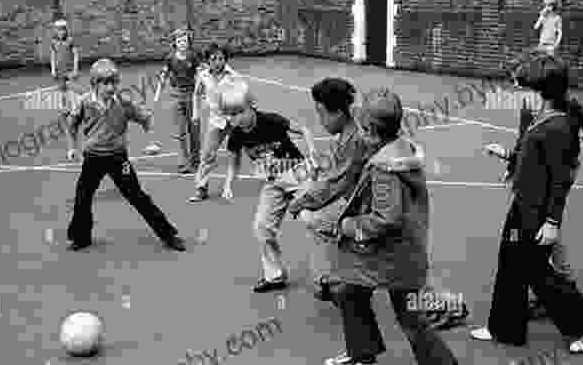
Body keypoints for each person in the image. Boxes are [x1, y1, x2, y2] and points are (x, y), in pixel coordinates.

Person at [316, 88, 465, 365]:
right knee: (349, 290)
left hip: (394, 254)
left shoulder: (385, 167)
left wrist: (344, 226)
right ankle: (363, 351)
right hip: (398, 249)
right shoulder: (398, 149)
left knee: (409, 314)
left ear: (371, 130)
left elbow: (385, 218)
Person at [293, 78, 469, 331]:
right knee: (394, 272)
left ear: (340, 112)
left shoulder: (359, 138)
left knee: (393, 272)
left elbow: (337, 183)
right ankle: (336, 281)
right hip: (377, 214)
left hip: (377, 216)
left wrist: (303, 203)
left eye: (320, 112)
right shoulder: (357, 133)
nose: (319, 120)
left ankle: (334, 282)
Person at [471, 53, 583, 353]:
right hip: (523, 205)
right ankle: (504, 328)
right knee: (509, 262)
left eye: (523, 87)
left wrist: (552, 222)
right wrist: (508, 155)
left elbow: (561, 180)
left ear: (542, 91)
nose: (518, 93)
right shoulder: (541, 116)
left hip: (538, 213)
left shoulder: (558, 127)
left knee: (536, 271)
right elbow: (533, 159)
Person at [64, 58, 186, 252]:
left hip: (118, 158)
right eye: (105, 83)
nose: (111, 87)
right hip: (93, 158)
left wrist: (152, 137)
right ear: (95, 84)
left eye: (114, 82)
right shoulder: (84, 102)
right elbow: (71, 124)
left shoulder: (123, 102)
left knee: (138, 197)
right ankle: (81, 237)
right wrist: (72, 147)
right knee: (82, 197)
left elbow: (145, 119)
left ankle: (168, 235)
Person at [223, 103, 317, 292]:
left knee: (312, 220)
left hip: (297, 173)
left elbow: (304, 130)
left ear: (251, 108)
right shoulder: (236, 134)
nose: (236, 118)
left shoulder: (271, 120)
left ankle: (329, 276)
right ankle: (275, 277)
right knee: (261, 227)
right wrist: (228, 184)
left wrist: (312, 153)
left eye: (239, 112)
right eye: (231, 115)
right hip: (272, 181)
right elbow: (234, 164)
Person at [188, 44, 241, 202]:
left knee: (249, 149)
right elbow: (196, 94)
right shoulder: (203, 76)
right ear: (208, 61)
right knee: (207, 154)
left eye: (221, 59)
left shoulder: (233, 76)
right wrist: (195, 114)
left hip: (234, 119)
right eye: (214, 59)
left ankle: (271, 173)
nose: (218, 62)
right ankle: (201, 189)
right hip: (216, 121)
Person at [145, 28, 202, 173]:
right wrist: (157, 93)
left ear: (189, 43)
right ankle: (183, 162)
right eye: (179, 41)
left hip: (191, 95)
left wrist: (203, 91)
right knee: (180, 131)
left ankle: (196, 160)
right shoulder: (170, 58)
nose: (182, 43)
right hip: (176, 95)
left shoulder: (193, 57)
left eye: (185, 41)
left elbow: (200, 75)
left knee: (194, 128)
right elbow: (163, 76)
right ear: (175, 43)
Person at [50, 18, 79, 116]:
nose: (61, 32)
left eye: (63, 29)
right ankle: (65, 108)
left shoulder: (70, 40)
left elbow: (75, 54)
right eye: (58, 30)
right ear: (55, 31)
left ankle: (75, 108)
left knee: (72, 89)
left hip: (69, 69)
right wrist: (53, 69)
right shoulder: (54, 42)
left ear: (66, 30)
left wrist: (75, 69)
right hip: (60, 70)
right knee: (63, 90)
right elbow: (53, 56)